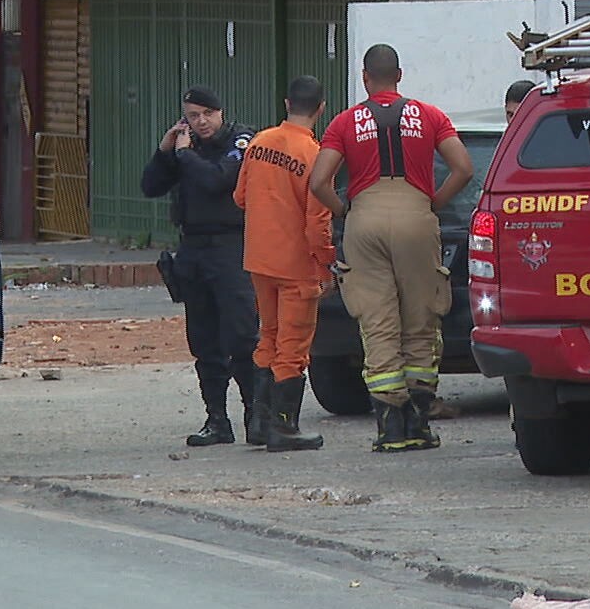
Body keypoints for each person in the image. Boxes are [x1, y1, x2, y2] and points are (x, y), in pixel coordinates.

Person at [309, 44, 475, 453]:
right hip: (416, 217)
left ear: (365, 78)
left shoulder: (345, 122)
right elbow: (464, 168)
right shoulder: (431, 116)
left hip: (364, 221)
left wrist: (344, 209)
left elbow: (317, 183)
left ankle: (389, 429)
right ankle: (419, 424)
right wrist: (433, 202)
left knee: (377, 321)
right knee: (420, 318)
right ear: (399, 75)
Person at [141, 86, 264, 447]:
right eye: (193, 116)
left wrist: (184, 156)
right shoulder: (182, 150)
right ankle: (216, 420)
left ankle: (254, 414)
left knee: (242, 336)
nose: (201, 122)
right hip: (193, 250)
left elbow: (218, 181)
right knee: (204, 341)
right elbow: (150, 186)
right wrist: (165, 152)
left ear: (221, 112)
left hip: (230, 248)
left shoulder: (240, 142)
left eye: (207, 114)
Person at [233, 76, 335, 452]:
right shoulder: (314, 155)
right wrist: (325, 264)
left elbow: (241, 197)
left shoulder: (259, 143)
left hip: (260, 259)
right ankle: (284, 427)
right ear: (321, 108)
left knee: (269, 337)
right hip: (296, 266)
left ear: (286, 102)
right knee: (293, 347)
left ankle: (259, 422)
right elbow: (318, 221)